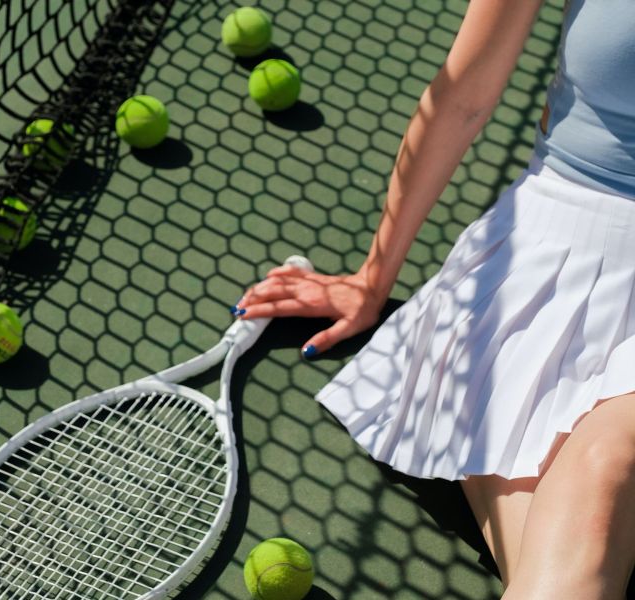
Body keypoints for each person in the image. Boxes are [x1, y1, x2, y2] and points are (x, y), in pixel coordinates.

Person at [236, 1, 635, 598]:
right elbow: (463, 96)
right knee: (578, 543)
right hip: (548, 260)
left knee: (606, 465)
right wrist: (372, 280)